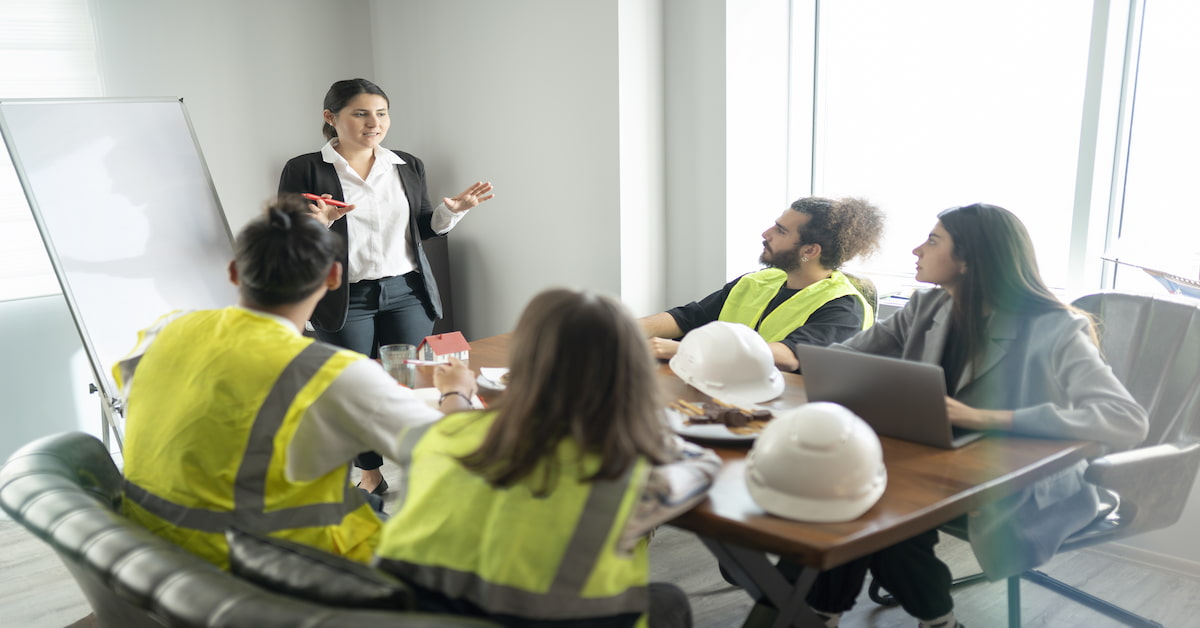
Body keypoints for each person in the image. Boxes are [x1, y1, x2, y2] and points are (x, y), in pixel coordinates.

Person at [785, 203, 1149, 628]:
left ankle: (840, 612)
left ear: (968, 258)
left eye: (934, 240)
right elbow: (841, 360)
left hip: (1021, 483)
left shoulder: (1054, 328)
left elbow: (1125, 419)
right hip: (934, 465)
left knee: (884, 510)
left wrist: (986, 418)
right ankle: (834, 612)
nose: (918, 249)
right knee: (858, 495)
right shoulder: (927, 307)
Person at [113, 196, 478, 570]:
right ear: (335, 278)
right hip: (277, 570)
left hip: (157, 554)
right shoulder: (329, 372)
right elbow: (458, 452)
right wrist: (456, 391)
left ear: (235, 272)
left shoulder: (166, 329)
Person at [373, 288, 723, 628]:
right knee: (667, 601)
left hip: (413, 615)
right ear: (631, 373)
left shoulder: (435, 438)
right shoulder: (632, 472)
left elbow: (459, 425)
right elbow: (704, 467)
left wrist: (455, 394)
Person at [278, 77, 495, 495]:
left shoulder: (407, 165)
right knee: (353, 390)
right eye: (360, 113)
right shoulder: (304, 168)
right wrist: (318, 226)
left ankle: (422, 467)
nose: (373, 123)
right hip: (345, 299)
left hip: (406, 293)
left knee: (409, 384)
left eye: (381, 113)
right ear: (331, 118)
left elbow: (423, 228)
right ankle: (370, 473)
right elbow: (288, 237)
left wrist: (454, 212)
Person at [639, 196, 885, 372]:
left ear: (810, 250)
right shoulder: (757, 281)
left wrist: (686, 351)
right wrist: (624, 328)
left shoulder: (844, 307)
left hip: (786, 409)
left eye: (780, 231)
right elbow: (688, 318)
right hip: (725, 390)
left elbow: (787, 357)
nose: (766, 234)